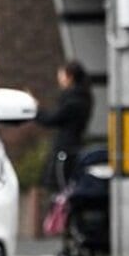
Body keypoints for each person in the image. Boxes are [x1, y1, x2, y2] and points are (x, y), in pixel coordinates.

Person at [35, 60, 94, 193]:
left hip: (65, 150)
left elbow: (52, 119)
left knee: (61, 187)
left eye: (61, 75)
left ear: (70, 77)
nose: (59, 79)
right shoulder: (83, 97)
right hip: (74, 146)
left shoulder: (73, 100)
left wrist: (35, 110)